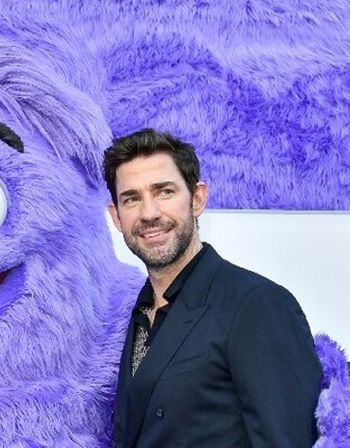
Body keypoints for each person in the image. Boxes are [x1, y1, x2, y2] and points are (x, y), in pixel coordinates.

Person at [103, 128, 322, 448]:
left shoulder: (256, 305)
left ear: (197, 199)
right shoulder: (136, 313)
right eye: (132, 198)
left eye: (164, 191)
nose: (149, 213)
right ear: (117, 217)